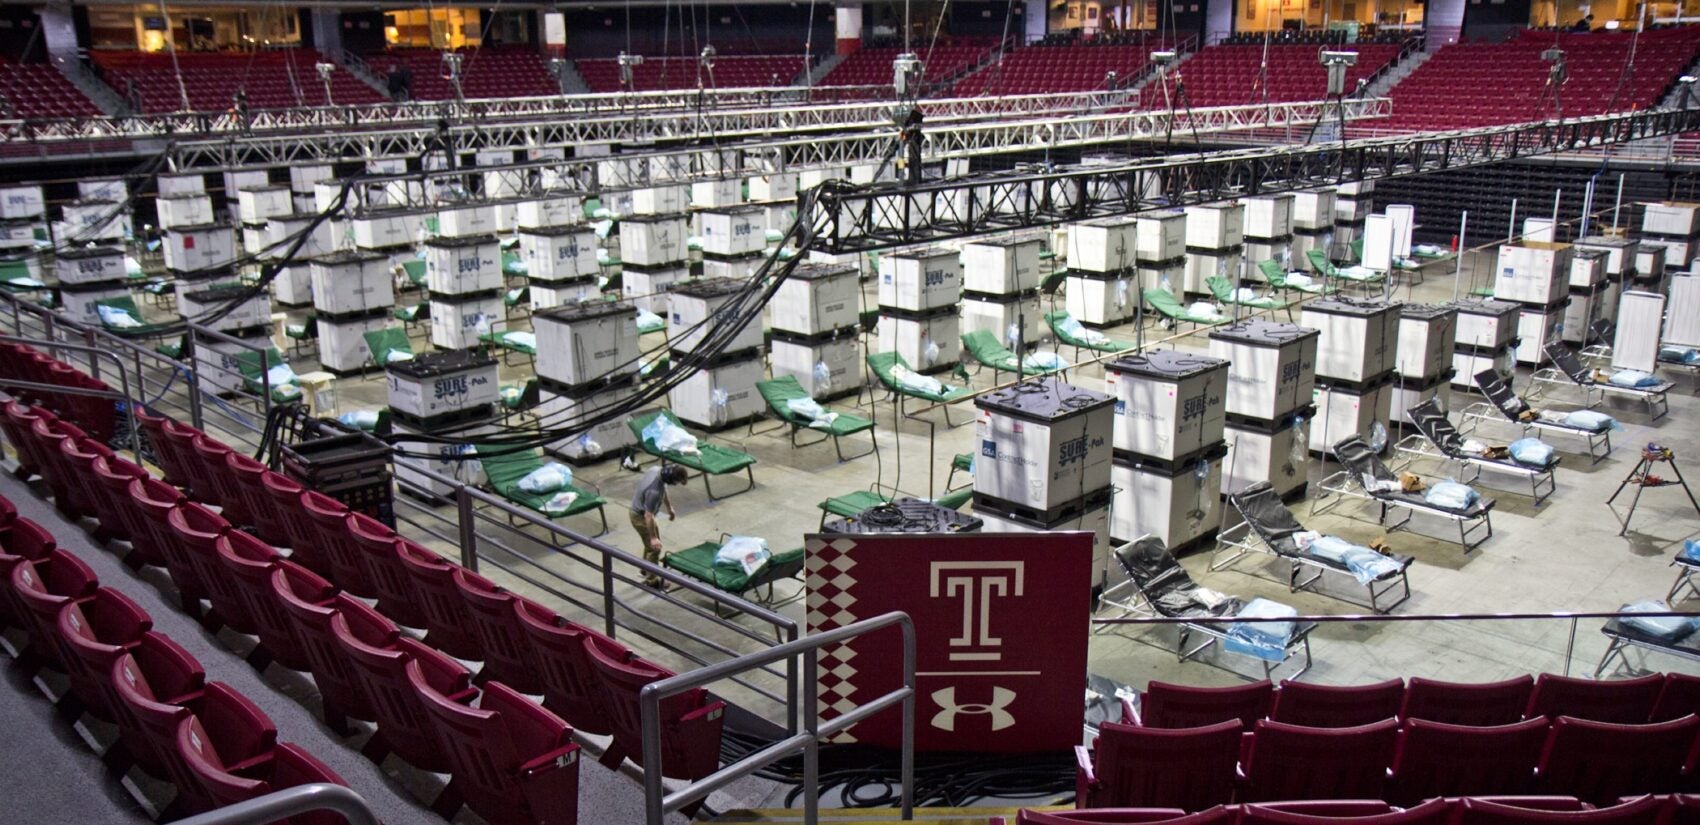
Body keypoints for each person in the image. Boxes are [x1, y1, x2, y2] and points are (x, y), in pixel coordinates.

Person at [629, 464, 689, 588]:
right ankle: (652, 581)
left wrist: (669, 508)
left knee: (649, 545)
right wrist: (653, 538)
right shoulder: (654, 492)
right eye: (676, 482)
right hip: (640, 516)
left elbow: (664, 489)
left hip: (640, 512)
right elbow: (648, 516)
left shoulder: (656, 470)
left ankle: (645, 569)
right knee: (654, 548)